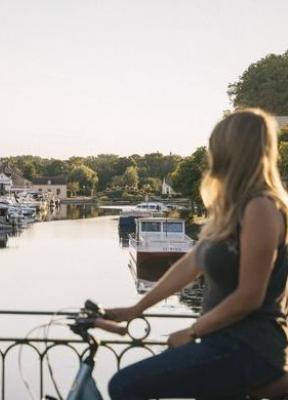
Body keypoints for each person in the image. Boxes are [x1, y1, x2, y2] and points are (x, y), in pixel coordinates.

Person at [106, 109, 288, 400]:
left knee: (125, 386)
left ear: (231, 151)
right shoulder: (233, 210)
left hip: (248, 347)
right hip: (222, 343)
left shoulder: (261, 208)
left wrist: (193, 331)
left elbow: (249, 296)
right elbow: (190, 264)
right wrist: (136, 309)